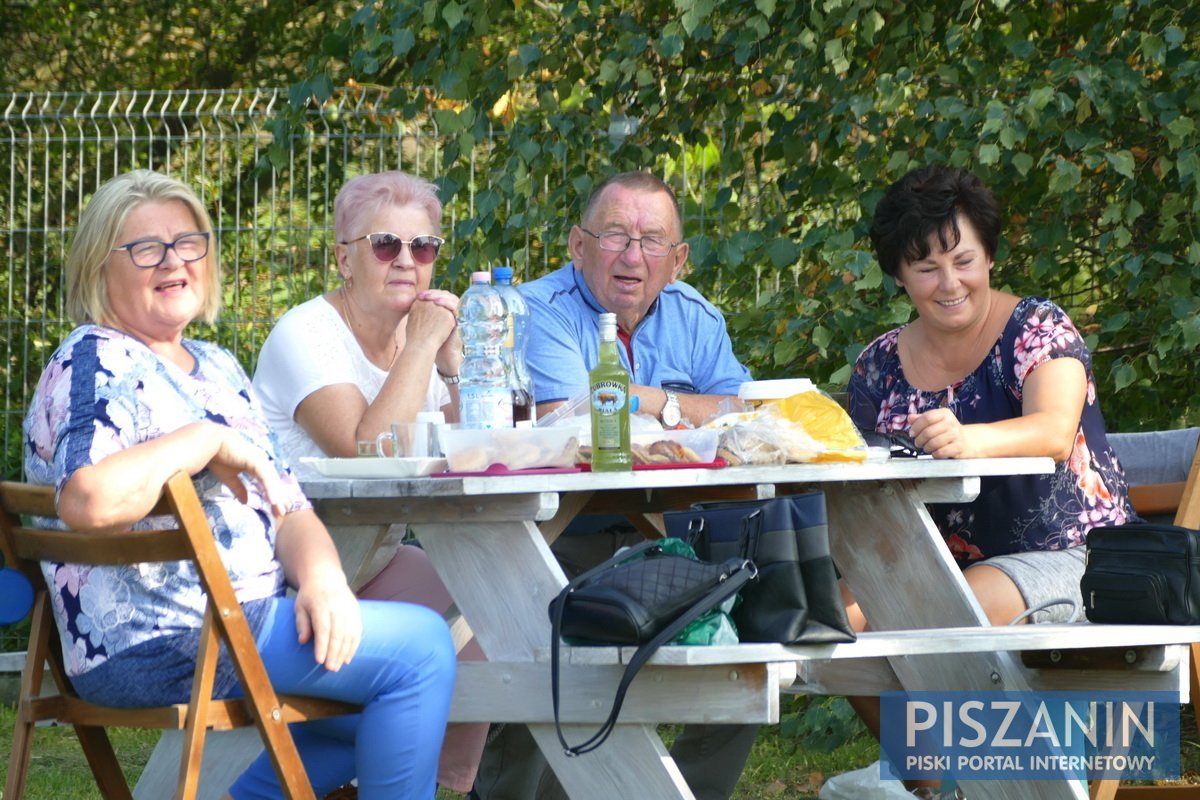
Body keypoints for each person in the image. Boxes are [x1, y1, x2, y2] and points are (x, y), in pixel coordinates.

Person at [24, 169, 455, 799]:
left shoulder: (216, 365)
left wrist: (325, 582)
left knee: (371, 706)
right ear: (99, 267)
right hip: (165, 638)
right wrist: (203, 440)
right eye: (146, 248)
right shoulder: (96, 357)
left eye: (188, 243)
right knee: (420, 651)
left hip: (232, 624)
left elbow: (289, 506)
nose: (173, 261)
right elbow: (86, 500)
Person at [844, 164, 1135, 798]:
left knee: (942, 611)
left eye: (963, 259)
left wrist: (969, 439)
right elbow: (861, 486)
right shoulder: (877, 367)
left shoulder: (1037, 328)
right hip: (929, 565)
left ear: (990, 256)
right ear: (898, 274)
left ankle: (957, 779)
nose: (950, 283)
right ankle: (931, 778)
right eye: (926, 267)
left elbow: (1055, 429)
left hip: (1074, 560)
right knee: (831, 627)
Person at [470, 171, 754, 800]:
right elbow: (588, 428)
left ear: (676, 260)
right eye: (616, 236)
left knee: (757, 630)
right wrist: (686, 414)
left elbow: (743, 413)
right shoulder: (537, 313)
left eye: (652, 241)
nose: (633, 256)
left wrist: (654, 401)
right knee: (540, 644)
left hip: (675, 533)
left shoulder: (697, 318)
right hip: (562, 533)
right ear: (578, 245)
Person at [252, 170, 489, 793]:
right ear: (344, 258)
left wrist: (456, 367)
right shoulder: (307, 333)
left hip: (368, 555)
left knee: (493, 608)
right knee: (437, 641)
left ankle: (433, 783)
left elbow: (476, 448)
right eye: (387, 245)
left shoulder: (419, 341)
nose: (408, 262)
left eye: (425, 248)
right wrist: (421, 347)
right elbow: (367, 451)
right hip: (287, 573)